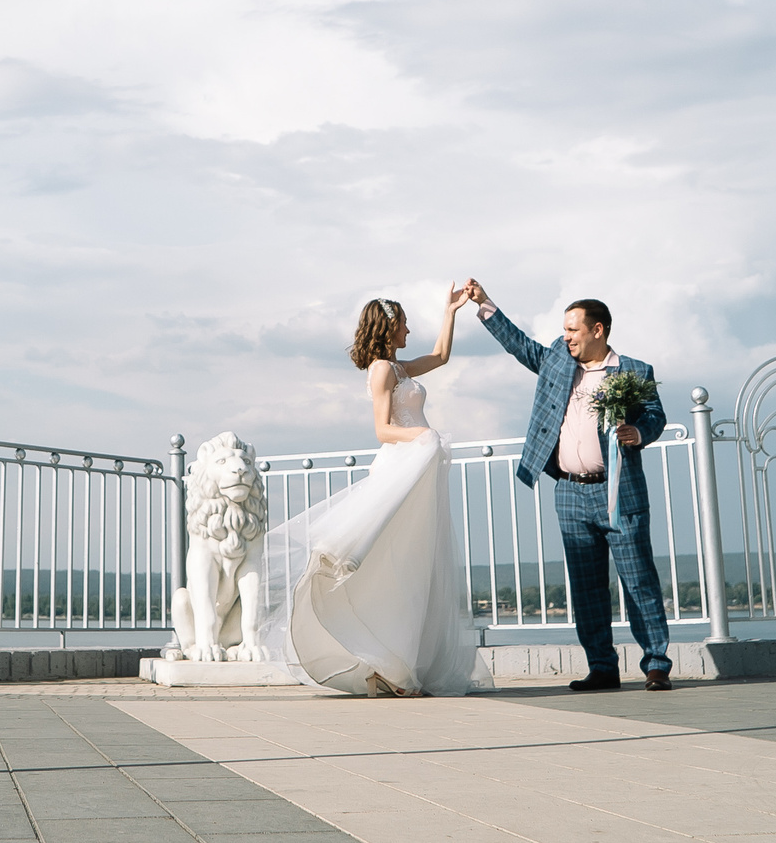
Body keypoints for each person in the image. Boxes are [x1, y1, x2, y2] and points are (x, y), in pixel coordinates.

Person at [257, 286, 480, 696]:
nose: (409, 329)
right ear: (390, 327)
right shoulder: (381, 369)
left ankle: (393, 664)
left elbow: (442, 356)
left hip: (417, 465)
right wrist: (424, 435)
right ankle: (382, 662)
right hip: (401, 466)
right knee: (389, 562)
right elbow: (382, 430)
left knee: (412, 565)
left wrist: (450, 312)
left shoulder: (399, 368)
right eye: (404, 323)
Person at [466, 280, 672, 691]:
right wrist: (486, 304)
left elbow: (655, 416)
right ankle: (602, 668)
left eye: (573, 330)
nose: (566, 337)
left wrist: (639, 431)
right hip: (569, 492)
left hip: (619, 492)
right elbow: (520, 346)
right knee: (586, 587)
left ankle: (656, 665)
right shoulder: (558, 361)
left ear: (598, 330)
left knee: (639, 581)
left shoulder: (634, 370)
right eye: (565, 330)